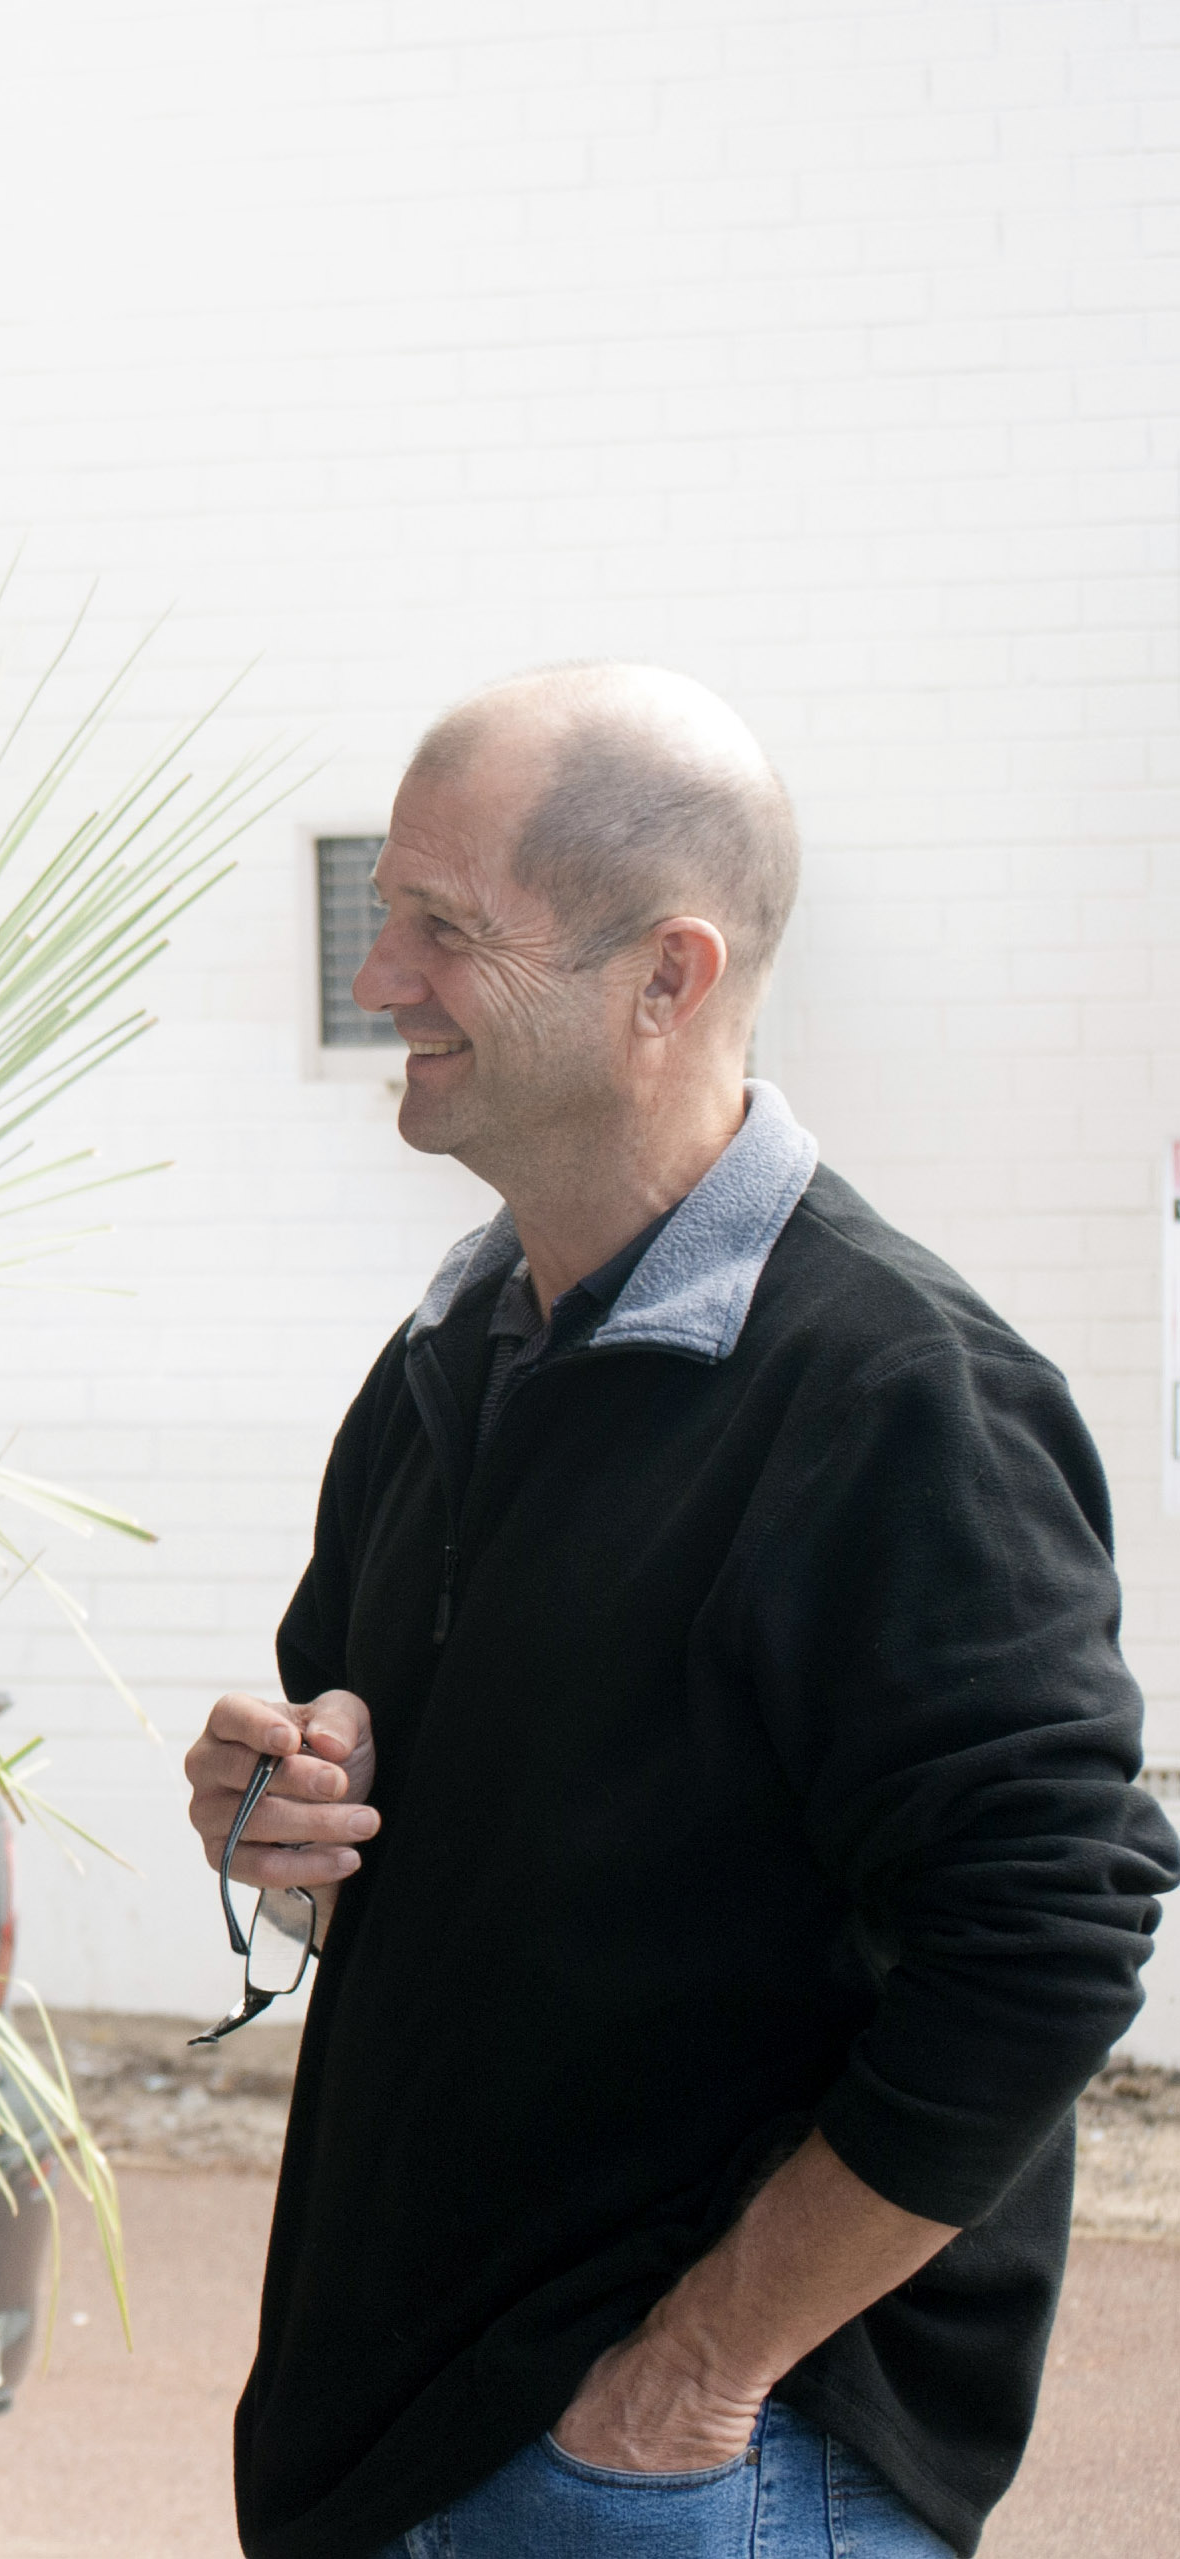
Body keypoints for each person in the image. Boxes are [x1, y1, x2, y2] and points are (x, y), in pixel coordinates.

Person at [186, 664, 1177, 2559]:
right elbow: (404, 1837)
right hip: (411, 2441)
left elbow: (1048, 1937)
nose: (376, 977)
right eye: (379, 915)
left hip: (682, 2480)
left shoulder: (897, 1398)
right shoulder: (447, 1358)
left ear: (669, 979)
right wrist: (281, 1818)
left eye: (439, 929)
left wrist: (692, 2384)